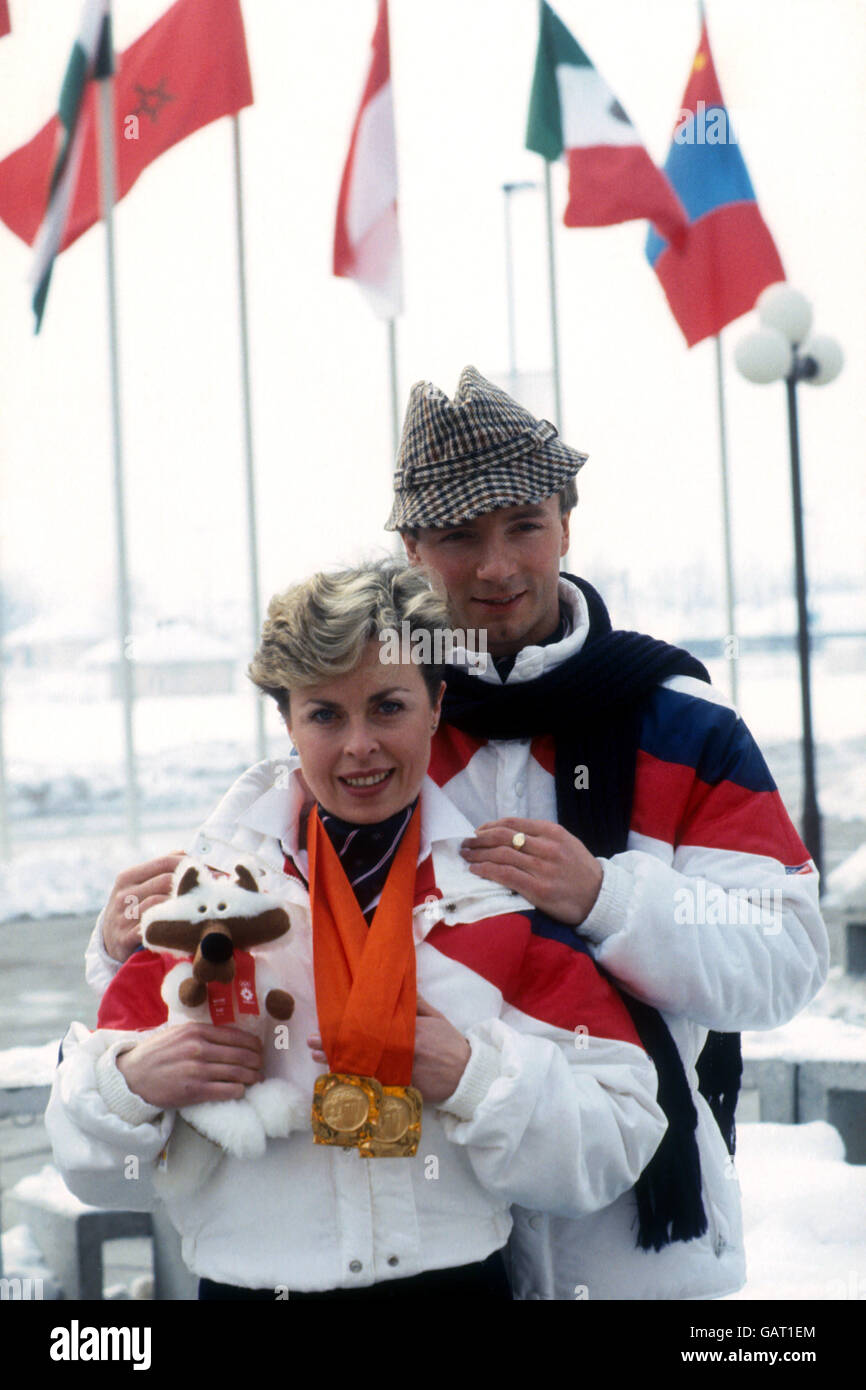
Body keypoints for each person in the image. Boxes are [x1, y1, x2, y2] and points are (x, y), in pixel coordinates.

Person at [48, 561, 665, 1299]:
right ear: (287, 722)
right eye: (325, 715)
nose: (359, 745)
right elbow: (92, 1171)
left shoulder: (499, 901)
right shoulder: (208, 911)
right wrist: (128, 1088)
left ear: (437, 707)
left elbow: (620, 1136)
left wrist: (473, 1079)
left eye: (388, 707)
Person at [384, 366, 829, 1300]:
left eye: (523, 526)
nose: (498, 566)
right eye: (461, 536)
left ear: (567, 524)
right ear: (414, 548)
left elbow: (785, 956)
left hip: (644, 1252)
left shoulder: (686, 725)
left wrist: (607, 898)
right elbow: (276, 929)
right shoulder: (374, 736)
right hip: (431, 1247)